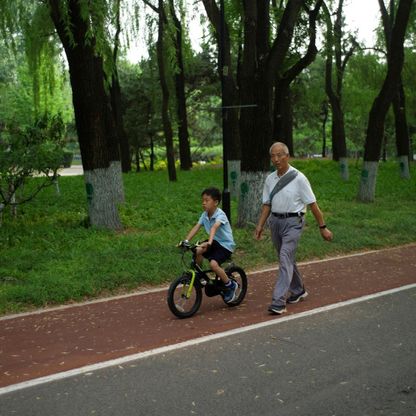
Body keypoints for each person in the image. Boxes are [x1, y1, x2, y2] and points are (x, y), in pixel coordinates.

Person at [255, 142, 333, 315]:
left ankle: (278, 302)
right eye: (272, 156)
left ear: (287, 156)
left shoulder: (299, 178)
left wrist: (323, 227)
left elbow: (313, 206)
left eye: (279, 155)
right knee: (286, 258)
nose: (276, 159)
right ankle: (298, 290)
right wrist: (260, 225)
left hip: (294, 222)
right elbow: (267, 204)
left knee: (284, 257)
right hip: (275, 222)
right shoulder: (270, 179)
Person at [182, 187, 238, 303]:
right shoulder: (204, 215)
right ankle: (199, 275)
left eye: (207, 200)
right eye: (202, 200)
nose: (203, 203)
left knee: (213, 264)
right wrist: (186, 241)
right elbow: (196, 227)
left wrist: (209, 243)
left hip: (225, 245)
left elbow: (214, 227)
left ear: (216, 202)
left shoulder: (220, 214)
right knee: (197, 250)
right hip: (214, 242)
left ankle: (230, 285)